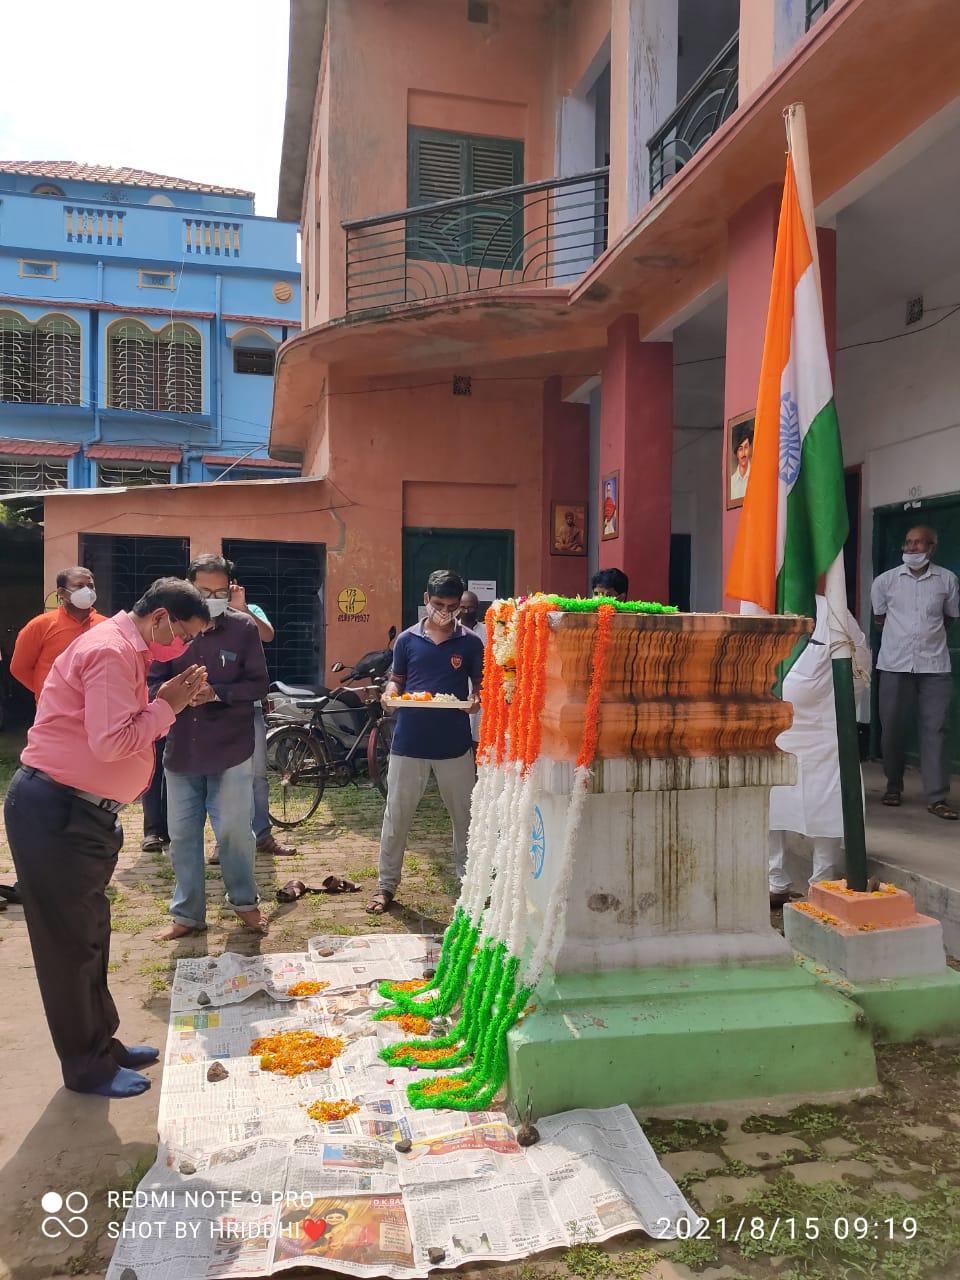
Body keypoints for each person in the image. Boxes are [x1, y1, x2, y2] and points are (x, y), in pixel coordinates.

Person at [3, 578, 210, 1096]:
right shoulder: (111, 652)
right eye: (184, 635)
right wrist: (167, 707)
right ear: (160, 618)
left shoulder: (127, 650)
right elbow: (112, 742)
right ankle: (86, 1067)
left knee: (91, 937)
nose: (184, 647)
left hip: (80, 813)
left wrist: (166, 703)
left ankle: (102, 1045)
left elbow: (123, 726)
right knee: (69, 949)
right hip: (57, 812)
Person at [151, 554, 270, 940]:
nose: (212, 599)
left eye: (220, 592)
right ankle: (187, 914)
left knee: (234, 832)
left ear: (231, 590)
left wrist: (217, 693)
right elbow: (149, 684)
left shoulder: (243, 628)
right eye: (204, 592)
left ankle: (245, 903)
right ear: (189, 589)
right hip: (182, 749)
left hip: (230, 749)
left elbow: (258, 684)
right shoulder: (170, 628)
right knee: (183, 835)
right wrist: (176, 695)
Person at [366, 570, 483, 914]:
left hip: (454, 745)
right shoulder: (406, 640)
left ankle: (469, 884)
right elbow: (397, 680)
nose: (444, 612)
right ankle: (386, 885)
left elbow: (480, 685)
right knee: (396, 816)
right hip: (409, 742)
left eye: (452, 606)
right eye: (438, 604)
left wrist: (476, 699)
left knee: (465, 817)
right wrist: (390, 694)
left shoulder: (470, 643)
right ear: (425, 600)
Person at [768, 595, 871, 907]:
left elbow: (859, 661)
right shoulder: (760, 606)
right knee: (770, 804)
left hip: (824, 728)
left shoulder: (831, 610)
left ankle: (821, 884)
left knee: (827, 805)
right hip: (774, 729)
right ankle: (774, 881)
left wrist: (836, 708)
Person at [871, 525, 959, 820]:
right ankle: (893, 786)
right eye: (908, 542)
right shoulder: (885, 582)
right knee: (892, 727)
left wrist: (926, 637)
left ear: (932, 547)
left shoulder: (947, 580)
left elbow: (949, 617)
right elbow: (880, 619)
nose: (911, 548)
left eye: (918, 543)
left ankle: (937, 797)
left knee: (937, 729)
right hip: (894, 665)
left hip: (935, 666)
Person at [207, 577, 296, 862]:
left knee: (257, 775)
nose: (224, 592)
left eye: (228, 586)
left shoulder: (250, 611)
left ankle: (263, 835)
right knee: (221, 776)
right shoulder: (203, 614)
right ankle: (223, 840)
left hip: (251, 706)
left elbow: (268, 635)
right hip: (215, 706)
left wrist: (242, 608)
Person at [10, 566, 107, 701]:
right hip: (52, 708)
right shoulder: (40, 625)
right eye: (79, 586)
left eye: (90, 586)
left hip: (95, 706)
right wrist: (45, 691)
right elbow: (19, 668)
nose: (87, 591)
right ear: (61, 592)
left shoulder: (107, 626)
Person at [458, 589, 488, 745]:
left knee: (480, 734)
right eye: (463, 608)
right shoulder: (452, 631)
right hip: (460, 685)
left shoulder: (488, 631)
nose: (466, 611)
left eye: (470, 608)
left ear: (477, 607)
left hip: (482, 686)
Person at [730, 423, 753, 501]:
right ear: (736, 453)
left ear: (749, 448)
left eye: (746, 447)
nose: (743, 453)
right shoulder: (732, 483)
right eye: (740, 449)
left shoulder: (756, 477)